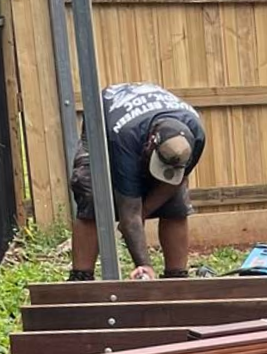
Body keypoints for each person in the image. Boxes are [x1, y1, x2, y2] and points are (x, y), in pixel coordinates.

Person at [69, 83, 206, 280]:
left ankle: (177, 277)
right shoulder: (125, 137)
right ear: (150, 143)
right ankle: (81, 277)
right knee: (92, 194)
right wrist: (144, 266)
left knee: (176, 201)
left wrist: (143, 212)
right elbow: (129, 215)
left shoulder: (197, 134)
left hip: (145, 119)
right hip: (106, 124)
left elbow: (176, 180)